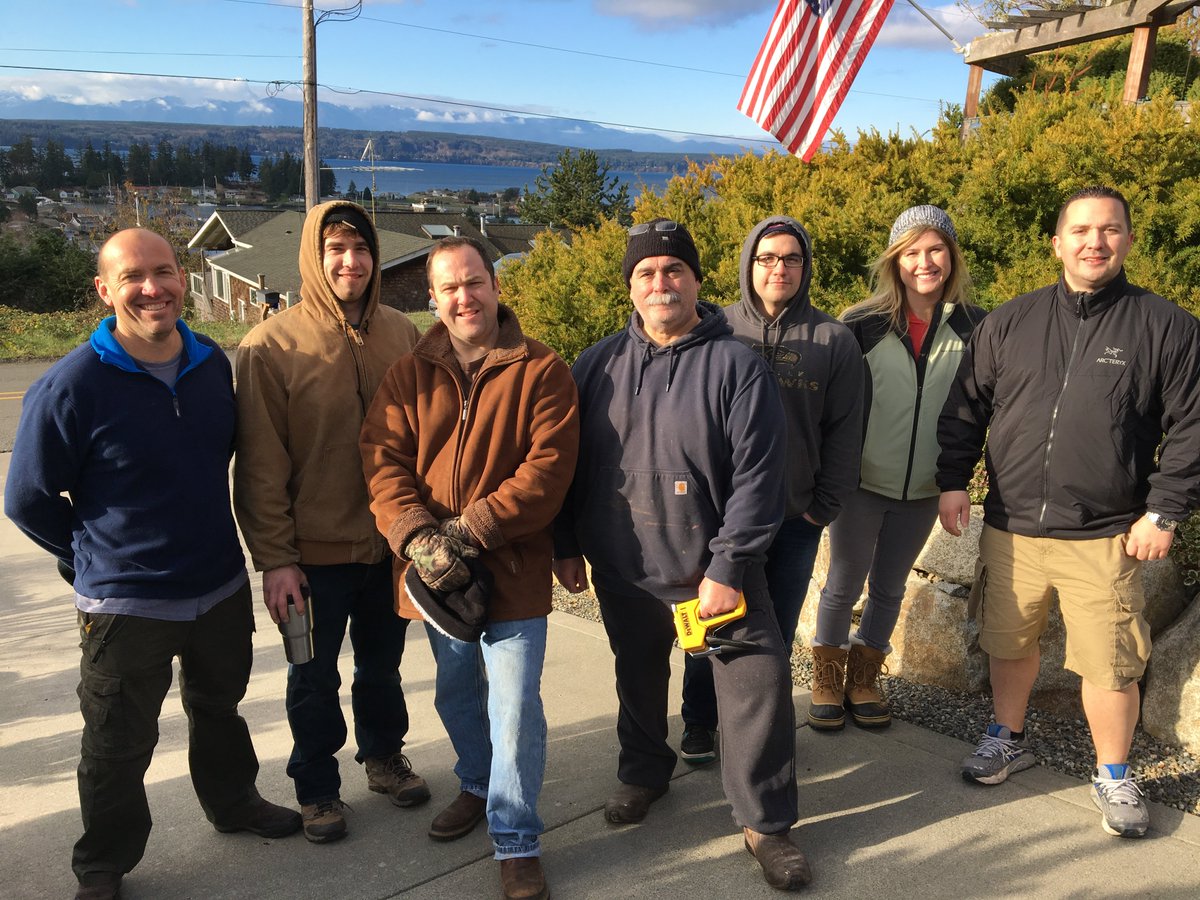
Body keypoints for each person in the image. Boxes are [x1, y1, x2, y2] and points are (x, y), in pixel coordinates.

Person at [5, 228, 300, 900]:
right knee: (117, 739)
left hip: (217, 585)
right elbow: (26, 498)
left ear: (183, 278)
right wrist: (83, 557)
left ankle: (233, 803)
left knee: (219, 709)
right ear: (104, 290)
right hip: (125, 603)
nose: (152, 288)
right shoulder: (72, 385)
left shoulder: (209, 364)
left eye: (164, 271)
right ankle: (103, 863)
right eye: (133, 276)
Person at [555, 219, 811, 890]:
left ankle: (766, 823)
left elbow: (761, 475)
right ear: (631, 288)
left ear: (698, 282)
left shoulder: (737, 365)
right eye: (646, 273)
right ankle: (644, 775)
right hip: (625, 567)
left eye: (674, 271)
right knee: (638, 680)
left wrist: (728, 567)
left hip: (718, 574)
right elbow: (567, 465)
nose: (660, 283)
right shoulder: (596, 363)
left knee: (757, 691)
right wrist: (565, 545)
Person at [937, 186, 1200, 839]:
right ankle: (1007, 737)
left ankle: (1113, 771)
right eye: (1080, 229)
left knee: (1111, 660)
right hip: (1011, 527)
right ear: (1056, 243)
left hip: (1107, 533)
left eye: (1109, 229)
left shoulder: (1165, 327)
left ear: (1128, 240)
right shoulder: (1010, 322)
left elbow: (1194, 427)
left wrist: (1164, 511)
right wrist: (950, 482)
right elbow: (966, 408)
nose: (1094, 241)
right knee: (1008, 641)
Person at [360, 236, 579, 900]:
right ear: (433, 297)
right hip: (435, 581)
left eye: (474, 282)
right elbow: (381, 461)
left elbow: (547, 473)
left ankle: (515, 840)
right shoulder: (408, 374)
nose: (464, 297)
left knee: (513, 707)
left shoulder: (541, 370)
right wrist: (418, 536)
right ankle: (477, 784)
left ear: (495, 285)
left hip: (510, 568)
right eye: (449, 287)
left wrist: (468, 530)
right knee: (457, 695)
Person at [234, 201, 426, 844]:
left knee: (382, 667)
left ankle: (382, 758)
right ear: (314, 260)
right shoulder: (270, 345)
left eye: (362, 249)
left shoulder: (403, 333)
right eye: (335, 251)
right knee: (311, 678)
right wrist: (275, 559)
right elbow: (260, 466)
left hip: (389, 547)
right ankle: (317, 789)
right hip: (310, 555)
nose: (351, 262)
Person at [678, 215, 863, 763]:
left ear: (804, 268)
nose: (778, 268)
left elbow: (846, 430)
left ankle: (757, 736)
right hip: (717, 518)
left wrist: (822, 507)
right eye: (766, 258)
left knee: (773, 636)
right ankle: (698, 721)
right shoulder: (714, 329)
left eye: (790, 258)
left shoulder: (834, 339)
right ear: (747, 265)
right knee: (706, 628)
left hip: (791, 519)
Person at [809, 206, 984, 730]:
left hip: (927, 487)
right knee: (842, 583)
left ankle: (864, 678)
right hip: (859, 484)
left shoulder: (977, 326)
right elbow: (832, 411)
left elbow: (979, 408)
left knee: (890, 587)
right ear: (895, 260)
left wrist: (959, 480)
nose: (924, 262)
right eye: (912, 251)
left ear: (952, 257)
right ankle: (826, 675)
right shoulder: (859, 324)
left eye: (936, 249)